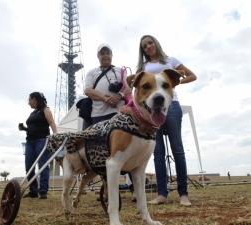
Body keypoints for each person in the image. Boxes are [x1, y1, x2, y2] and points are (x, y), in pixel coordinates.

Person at [136, 35, 197, 206]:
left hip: (171, 106)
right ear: (142, 50)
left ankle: (183, 193)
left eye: (150, 43)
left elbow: (192, 76)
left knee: (177, 149)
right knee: (157, 152)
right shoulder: (143, 67)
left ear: (156, 43)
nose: (148, 47)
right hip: (150, 110)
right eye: (144, 46)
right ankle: (162, 193)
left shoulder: (170, 60)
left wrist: (172, 83)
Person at [84, 43, 131, 200]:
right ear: (98, 56)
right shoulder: (92, 72)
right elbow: (88, 90)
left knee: (126, 150)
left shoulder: (120, 71)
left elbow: (129, 87)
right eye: (102, 53)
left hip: (119, 115)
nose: (105, 56)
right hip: (98, 115)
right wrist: (105, 98)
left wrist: (118, 97)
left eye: (108, 53)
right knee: (103, 154)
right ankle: (108, 192)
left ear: (112, 55)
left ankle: (133, 189)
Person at [19, 92, 57, 199]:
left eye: (29, 100)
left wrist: (55, 137)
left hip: (42, 140)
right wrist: (24, 128)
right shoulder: (32, 113)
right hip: (30, 141)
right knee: (29, 167)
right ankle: (33, 190)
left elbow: (52, 123)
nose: (28, 103)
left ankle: (43, 190)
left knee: (43, 165)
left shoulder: (45, 109)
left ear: (34, 99)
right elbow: (33, 127)